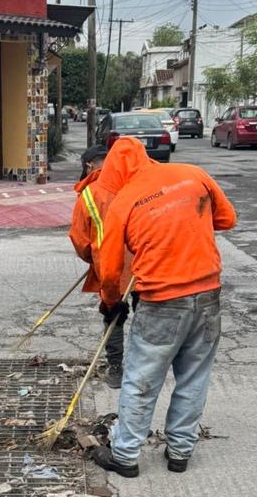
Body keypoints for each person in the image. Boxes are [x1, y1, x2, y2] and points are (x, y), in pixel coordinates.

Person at [90, 137, 236, 476]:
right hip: (208, 295)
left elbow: (110, 270)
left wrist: (111, 304)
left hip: (161, 301)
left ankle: (125, 456)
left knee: (142, 378)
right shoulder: (192, 174)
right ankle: (180, 453)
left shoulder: (123, 201)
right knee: (194, 376)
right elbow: (227, 219)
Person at [69, 143, 130, 387]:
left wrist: (93, 260)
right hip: (147, 263)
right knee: (147, 315)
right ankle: (145, 368)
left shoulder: (89, 194)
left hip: (110, 267)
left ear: (89, 165)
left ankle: (116, 369)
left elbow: (80, 239)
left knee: (113, 315)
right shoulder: (132, 184)